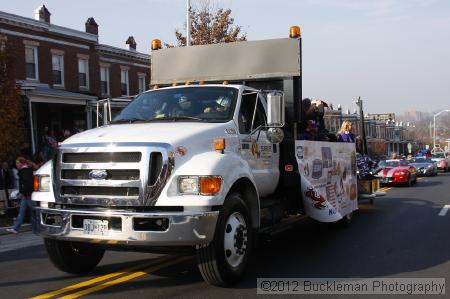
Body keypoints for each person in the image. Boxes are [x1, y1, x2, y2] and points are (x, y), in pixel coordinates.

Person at [6, 157, 35, 234]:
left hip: (28, 194)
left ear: (22, 163)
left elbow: (27, 184)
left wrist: (23, 192)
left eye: (18, 163)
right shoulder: (26, 170)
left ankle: (35, 226)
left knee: (32, 211)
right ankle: (16, 228)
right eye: (16, 163)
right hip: (27, 194)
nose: (16, 164)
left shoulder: (24, 171)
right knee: (23, 212)